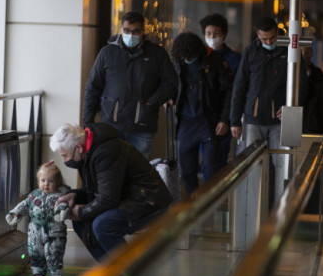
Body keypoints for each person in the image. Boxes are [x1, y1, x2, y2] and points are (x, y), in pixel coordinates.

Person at [51, 123, 172, 261]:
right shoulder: (87, 152)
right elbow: (91, 190)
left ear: (78, 147)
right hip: (129, 197)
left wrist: (80, 212)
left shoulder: (106, 152)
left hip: (149, 201)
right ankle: (109, 270)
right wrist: (74, 195)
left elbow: (108, 198)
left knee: (103, 225)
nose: (65, 160)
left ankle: (129, 271)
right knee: (81, 222)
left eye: (65, 155)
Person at [229, 17, 306, 204]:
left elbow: (301, 84)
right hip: (253, 117)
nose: (269, 42)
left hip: (279, 120)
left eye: (272, 38)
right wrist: (234, 121)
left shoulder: (290, 51)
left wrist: (291, 107)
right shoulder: (250, 52)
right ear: (257, 36)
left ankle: (279, 206)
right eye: (264, 39)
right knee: (253, 164)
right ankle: (254, 204)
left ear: (278, 33)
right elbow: (239, 86)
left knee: (281, 165)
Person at [82, 11, 178, 158]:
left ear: (143, 31)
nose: (131, 35)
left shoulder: (157, 54)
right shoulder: (107, 53)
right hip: (110, 126)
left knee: (137, 174)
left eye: (135, 31)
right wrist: (87, 123)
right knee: (111, 171)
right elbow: (93, 87)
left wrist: (152, 102)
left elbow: (171, 83)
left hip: (142, 127)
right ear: (121, 29)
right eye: (127, 31)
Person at [170, 32, 232, 195]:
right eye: (184, 56)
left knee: (211, 169)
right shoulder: (178, 63)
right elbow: (171, 85)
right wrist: (169, 97)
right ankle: (193, 206)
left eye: (190, 55)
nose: (188, 58)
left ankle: (211, 203)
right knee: (187, 171)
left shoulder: (214, 61)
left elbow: (229, 91)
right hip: (186, 122)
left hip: (209, 122)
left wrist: (225, 119)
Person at [6, 162, 70, 276]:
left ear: (57, 182)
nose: (46, 184)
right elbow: (24, 205)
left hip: (55, 232)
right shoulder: (34, 195)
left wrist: (61, 213)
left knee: (54, 253)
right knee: (36, 254)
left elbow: (63, 207)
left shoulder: (61, 196)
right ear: (38, 181)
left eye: (51, 181)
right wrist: (15, 214)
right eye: (43, 180)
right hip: (35, 233)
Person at [200, 13, 242, 164]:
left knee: (220, 159)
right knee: (206, 159)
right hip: (203, 118)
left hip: (224, 114)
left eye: (216, 34)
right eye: (208, 33)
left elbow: (237, 89)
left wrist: (228, 118)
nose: (212, 37)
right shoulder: (200, 58)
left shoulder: (233, 58)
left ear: (224, 35)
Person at [301, 45, 323, 138]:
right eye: (301, 53)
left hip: (314, 126)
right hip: (295, 126)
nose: (304, 56)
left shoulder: (318, 76)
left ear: (311, 54)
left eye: (307, 52)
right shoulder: (290, 74)